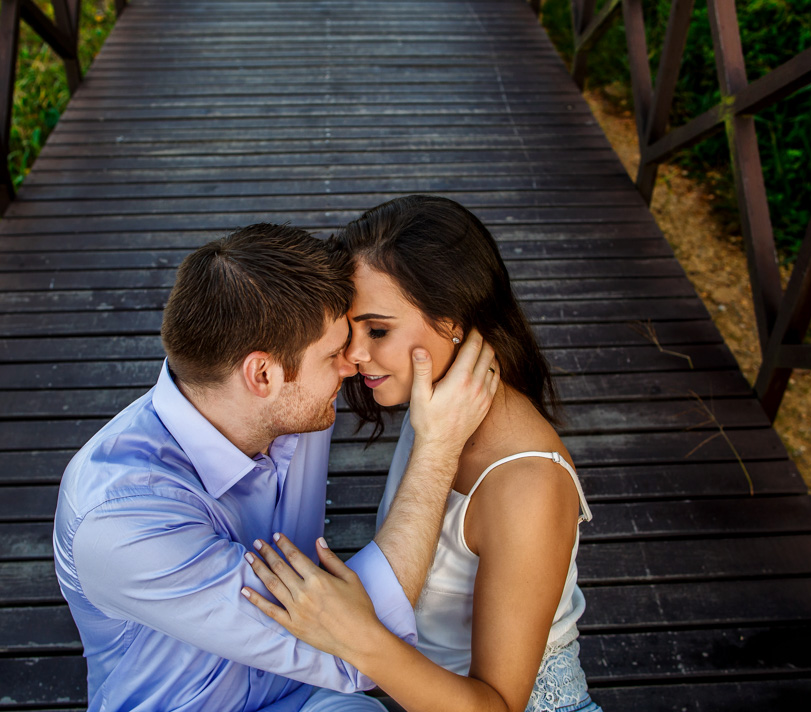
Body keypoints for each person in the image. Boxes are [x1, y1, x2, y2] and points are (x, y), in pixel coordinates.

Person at [53, 222, 500, 711]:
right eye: (333, 354)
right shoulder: (120, 519)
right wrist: (438, 446)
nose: (351, 364)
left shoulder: (282, 405)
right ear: (262, 374)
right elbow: (356, 649)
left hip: (300, 695)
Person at [242, 196, 604, 712]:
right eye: (351, 329)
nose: (353, 355)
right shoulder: (438, 411)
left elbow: (499, 706)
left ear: (452, 321)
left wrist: (353, 633)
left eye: (378, 330)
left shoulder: (527, 485)